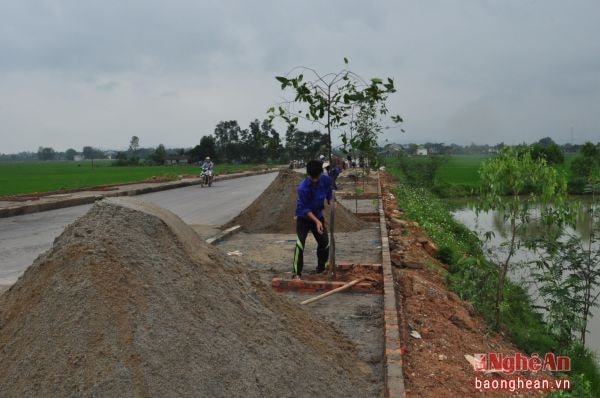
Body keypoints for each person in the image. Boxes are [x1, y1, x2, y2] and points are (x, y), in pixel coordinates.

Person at [292, 160, 332, 279]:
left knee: (325, 243)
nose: (315, 180)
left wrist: (331, 200)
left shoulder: (325, 180)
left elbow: (328, 191)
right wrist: (317, 221)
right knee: (300, 244)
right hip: (304, 218)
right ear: (308, 174)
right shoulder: (303, 188)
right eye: (312, 177)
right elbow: (305, 208)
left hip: (318, 215)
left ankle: (321, 268)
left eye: (317, 177)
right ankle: (296, 273)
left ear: (320, 173)